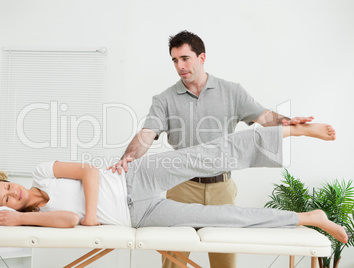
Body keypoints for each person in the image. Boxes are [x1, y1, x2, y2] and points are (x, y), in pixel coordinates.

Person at [108, 30, 315, 268]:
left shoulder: (232, 91)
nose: (180, 66)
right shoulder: (164, 99)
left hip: (222, 189)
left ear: (202, 57)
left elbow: (265, 118)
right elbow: (147, 133)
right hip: (181, 187)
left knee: (224, 260)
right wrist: (127, 158)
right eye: (175, 60)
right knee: (174, 260)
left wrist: (291, 123)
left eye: (185, 58)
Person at [0, 124, 347, 248]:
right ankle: (308, 217)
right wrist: (21, 220)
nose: (13, 194)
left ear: (7, 182)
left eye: (6, 188)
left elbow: (89, 171)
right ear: (5, 209)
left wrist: (91, 215)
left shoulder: (43, 172)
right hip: (140, 214)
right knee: (226, 217)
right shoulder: (38, 216)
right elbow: (68, 222)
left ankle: (295, 130)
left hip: (135, 177)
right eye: (5, 201)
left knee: (213, 153)